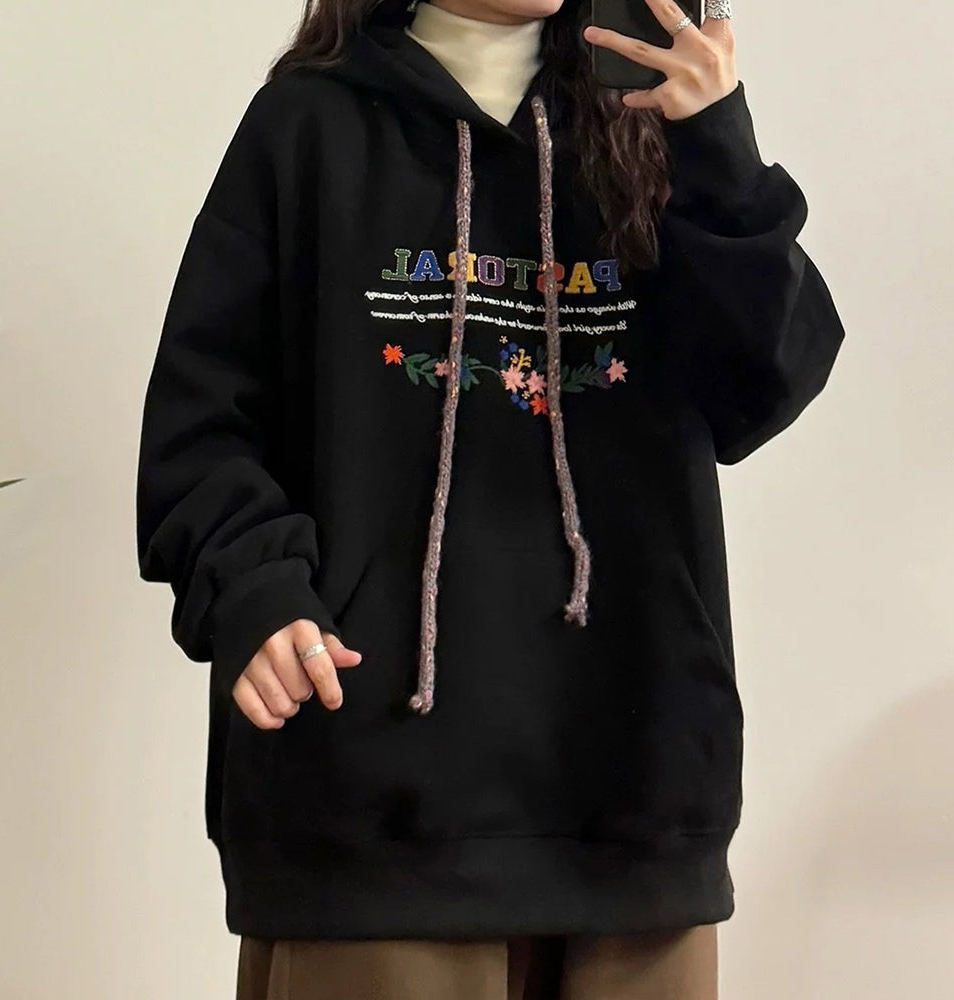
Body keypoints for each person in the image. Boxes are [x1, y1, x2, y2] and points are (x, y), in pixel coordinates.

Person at [135, 0, 846, 995]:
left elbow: (764, 387)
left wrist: (718, 149)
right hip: (369, 804)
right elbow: (203, 419)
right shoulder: (307, 126)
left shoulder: (653, 124)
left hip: (632, 789)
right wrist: (255, 591)